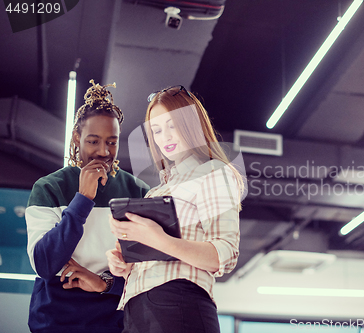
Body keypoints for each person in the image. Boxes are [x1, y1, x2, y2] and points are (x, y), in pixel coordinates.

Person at [106, 85, 246, 333]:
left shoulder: (213, 172)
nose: (165, 137)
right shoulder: (156, 192)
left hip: (178, 302)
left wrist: (159, 239)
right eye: (157, 130)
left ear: (191, 124)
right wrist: (125, 265)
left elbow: (223, 254)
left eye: (172, 125)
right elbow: (150, 255)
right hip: (136, 310)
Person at [25, 80, 149, 333]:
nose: (104, 151)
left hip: (114, 323)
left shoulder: (138, 192)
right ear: (77, 138)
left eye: (112, 142)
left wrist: (104, 283)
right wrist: (82, 199)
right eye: (93, 141)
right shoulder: (48, 188)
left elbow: (148, 272)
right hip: (54, 322)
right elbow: (45, 264)